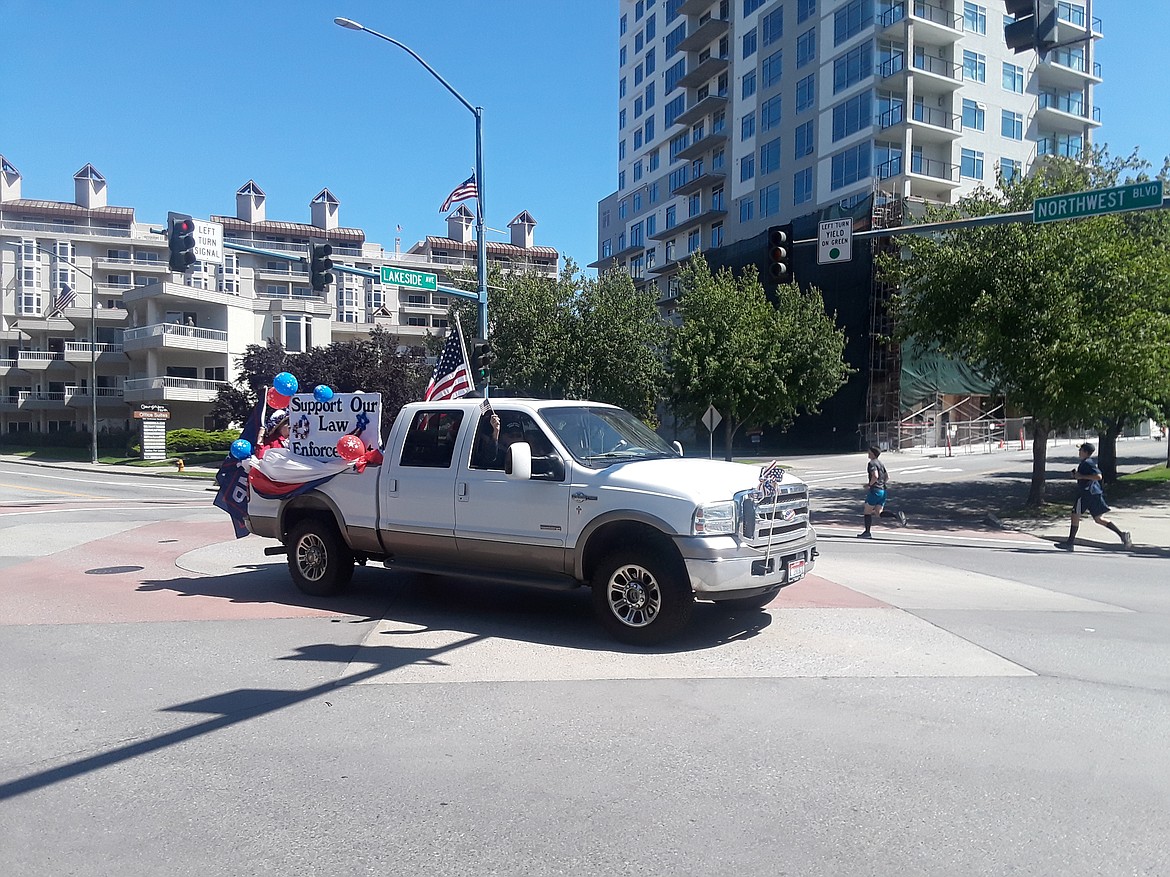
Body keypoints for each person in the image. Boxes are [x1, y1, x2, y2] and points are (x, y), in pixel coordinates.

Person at [1056, 442, 1131, 551]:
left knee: (1075, 514)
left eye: (1081, 450)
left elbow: (1098, 476)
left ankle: (1070, 543)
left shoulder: (1087, 463)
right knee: (1099, 519)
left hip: (1086, 494)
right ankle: (1122, 535)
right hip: (1094, 493)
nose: (1079, 452)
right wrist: (1077, 476)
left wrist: (1081, 476)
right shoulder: (1086, 463)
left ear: (1086, 452)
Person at [857, 445, 907, 538]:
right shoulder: (881, 463)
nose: (868, 453)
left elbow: (875, 476)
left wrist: (870, 485)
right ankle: (896, 515)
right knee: (878, 513)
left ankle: (867, 533)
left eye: (869, 452)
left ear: (872, 453)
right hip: (883, 491)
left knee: (867, 511)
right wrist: (881, 483)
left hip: (875, 491)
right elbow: (887, 477)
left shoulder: (872, 463)